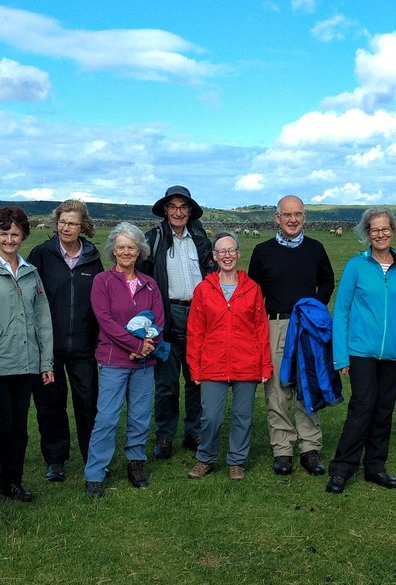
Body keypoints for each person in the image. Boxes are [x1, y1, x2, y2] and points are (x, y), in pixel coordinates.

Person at [324, 208, 396, 493]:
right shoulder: (356, 265)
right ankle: (341, 469)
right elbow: (340, 311)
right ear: (367, 233)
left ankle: (375, 467)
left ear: (393, 230)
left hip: (394, 353)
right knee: (362, 407)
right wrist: (340, 355)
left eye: (385, 229)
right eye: (374, 230)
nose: (380, 234)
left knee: (383, 410)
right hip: (361, 351)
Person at [0, 207, 55, 506]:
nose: (9, 239)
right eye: (4, 233)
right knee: (0, 423)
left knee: (19, 426)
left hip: (28, 361)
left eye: (15, 234)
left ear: (24, 236)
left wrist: (46, 362)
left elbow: (43, 318)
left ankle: (12, 482)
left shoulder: (31, 272)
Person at [247, 195, 335, 476]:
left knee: (306, 387)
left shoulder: (315, 249)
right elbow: (253, 292)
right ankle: (282, 449)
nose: (293, 220)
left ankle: (310, 448)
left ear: (305, 217)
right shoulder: (262, 252)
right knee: (277, 389)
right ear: (277, 218)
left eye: (298, 214)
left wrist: (314, 308)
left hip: (307, 328)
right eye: (287, 215)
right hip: (275, 325)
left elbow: (327, 281)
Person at [84, 223, 164, 498]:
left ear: (139, 250)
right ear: (113, 251)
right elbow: (105, 321)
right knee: (106, 418)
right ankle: (95, 474)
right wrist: (134, 344)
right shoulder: (102, 282)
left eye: (131, 247)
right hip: (113, 360)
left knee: (140, 417)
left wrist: (145, 347)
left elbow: (159, 321)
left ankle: (136, 463)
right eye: (121, 247)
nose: (126, 252)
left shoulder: (150, 284)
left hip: (144, 363)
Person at [186, 232, 273, 480]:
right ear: (214, 257)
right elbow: (195, 331)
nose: (227, 255)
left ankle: (237, 460)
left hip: (246, 362)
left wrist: (264, 365)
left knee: (242, 416)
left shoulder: (253, 289)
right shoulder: (203, 289)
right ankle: (206, 458)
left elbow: (260, 329)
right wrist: (195, 366)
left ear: (238, 254)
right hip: (212, 363)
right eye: (221, 251)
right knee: (211, 416)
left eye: (231, 250)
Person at [27, 199, 103, 483]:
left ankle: (91, 456)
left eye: (72, 223)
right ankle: (55, 460)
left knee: (88, 403)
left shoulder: (93, 257)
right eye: (62, 222)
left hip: (85, 345)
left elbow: (100, 300)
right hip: (49, 346)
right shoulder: (41, 254)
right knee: (50, 404)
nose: (66, 228)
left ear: (83, 226)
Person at [138, 185, 214, 460]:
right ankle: (165, 435)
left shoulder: (200, 238)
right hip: (167, 313)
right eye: (173, 206)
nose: (179, 212)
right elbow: (144, 280)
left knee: (197, 377)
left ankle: (194, 431)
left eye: (184, 207)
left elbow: (210, 271)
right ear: (166, 210)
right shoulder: (153, 239)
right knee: (167, 381)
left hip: (198, 313)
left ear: (190, 211)